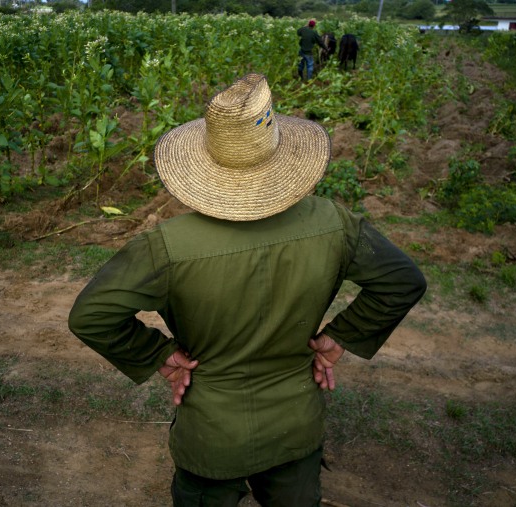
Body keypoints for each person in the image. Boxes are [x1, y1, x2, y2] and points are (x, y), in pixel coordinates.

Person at [68, 73, 426, 507]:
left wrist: (159, 356)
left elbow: (91, 315)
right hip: (295, 427)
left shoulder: (165, 246)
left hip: (211, 435)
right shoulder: (335, 225)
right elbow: (403, 281)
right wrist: (340, 338)